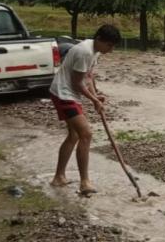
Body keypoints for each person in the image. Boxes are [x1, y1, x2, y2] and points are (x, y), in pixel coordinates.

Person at [49, 24, 121, 194]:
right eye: (109, 45)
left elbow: (89, 76)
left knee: (74, 135)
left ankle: (59, 177)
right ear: (99, 39)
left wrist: (96, 95)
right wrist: (94, 100)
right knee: (86, 134)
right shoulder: (84, 52)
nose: (110, 50)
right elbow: (77, 82)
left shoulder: (94, 51)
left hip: (70, 94)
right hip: (63, 94)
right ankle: (84, 182)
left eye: (113, 46)